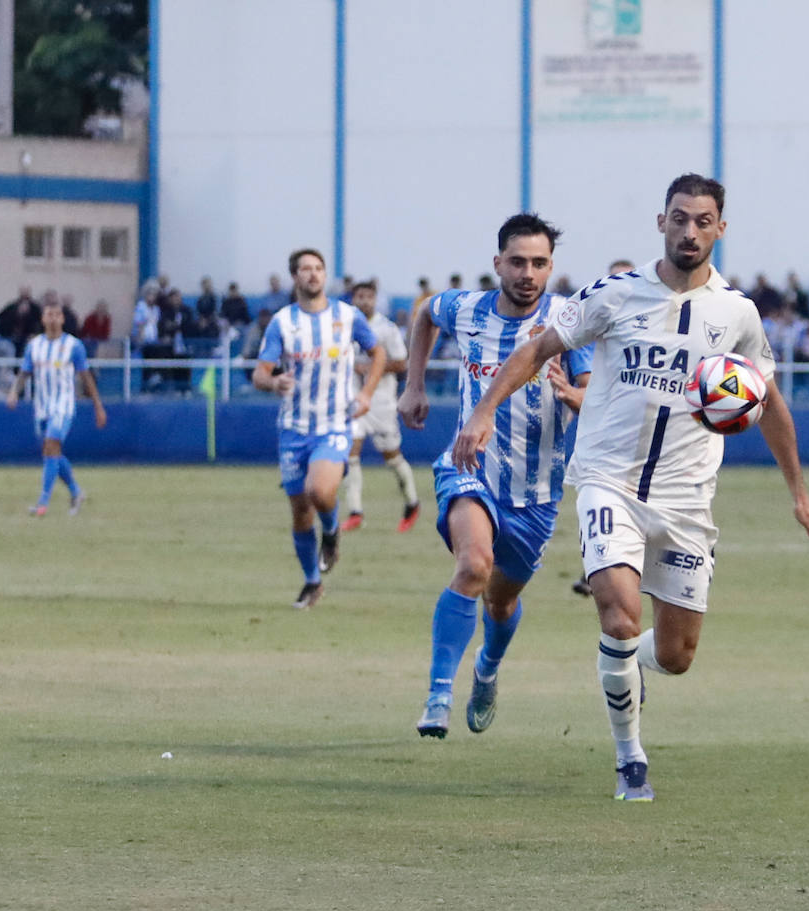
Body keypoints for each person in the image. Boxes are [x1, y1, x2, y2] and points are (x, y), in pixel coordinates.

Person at [446, 174, 809, 802]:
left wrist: (800, 493)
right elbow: (534, 349)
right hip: (608, 482)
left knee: (677, 654)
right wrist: (485, 409)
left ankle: (621, 668)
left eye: (702, 221)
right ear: (661, 222)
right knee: (620, 615)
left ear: (720, 228)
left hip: (686, 500)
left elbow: (769, 402)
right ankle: (631, 758)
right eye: (679, 218)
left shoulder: (737, 314)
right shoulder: (614, 295)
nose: (690, 231)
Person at [397, 213, 593, 739]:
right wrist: (413, 385)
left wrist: (571, 395)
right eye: (518, 262)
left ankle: (486, 669)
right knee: (474, 564)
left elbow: (592, 394)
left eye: (539, 263)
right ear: (497, 263)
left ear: (552, 266)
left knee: (501, 601)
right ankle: (438, 696)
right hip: (470, 469)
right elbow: (423, 314)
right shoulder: (466, 309)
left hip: (536, 494)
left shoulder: (571, 320)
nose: (528, 273)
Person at [252, 248, 385, 610]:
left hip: (334, 423)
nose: (312, 274)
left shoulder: (347, 316)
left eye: (318, 268)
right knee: (299, 512)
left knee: (320, 491)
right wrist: (274, 382)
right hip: (294, 428)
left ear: (325, 276)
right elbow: (260, 372)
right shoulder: (283, 322)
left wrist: (368, 393)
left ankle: (331, 530)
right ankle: (312, 582)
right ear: (295, 277)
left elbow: (379, 354)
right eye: (305, 269)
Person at [5, 299, 107, 516]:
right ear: (43, 319)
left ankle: (43, 502)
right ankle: (76, 491)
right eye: (49, 314)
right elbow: (24, 372)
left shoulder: (73, 346)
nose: (53, 318)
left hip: (63, 405)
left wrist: (98, 406)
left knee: (52, 444)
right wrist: (14, 391)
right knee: (52, 453)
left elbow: (86, 377)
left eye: (57, 315)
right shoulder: (34, 346)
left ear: (62, 319)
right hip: (41, 407)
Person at [571, 259, 636, 600]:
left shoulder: (650, 333)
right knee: (602, 508)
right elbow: (586, 391)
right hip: (601, 443)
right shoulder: (588, 335)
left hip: (643, 445)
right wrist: (569, 394)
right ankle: (594, 574)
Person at [341, 281, 420, 533]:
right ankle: (355, 512)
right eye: (359, 296)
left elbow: (400, 362)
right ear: (353, 299)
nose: (364, 301)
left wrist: (372, 367)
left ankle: (412, 502)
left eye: (368, 297)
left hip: (382, 402)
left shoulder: (386, 329)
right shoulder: (343, 325)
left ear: (375, 300)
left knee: (392, 457)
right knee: (351, 453)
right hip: (354, 399)